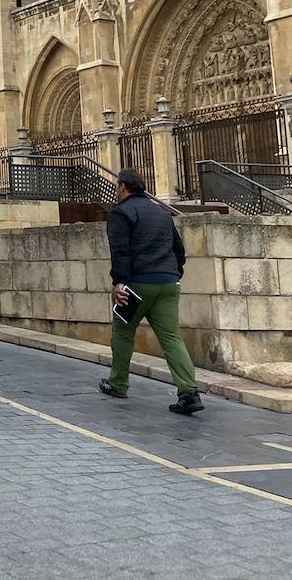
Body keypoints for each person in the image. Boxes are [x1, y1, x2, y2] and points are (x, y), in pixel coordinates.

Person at [99, 171, 203, 415]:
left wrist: (119, 282)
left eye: (117, 187)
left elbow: (120, 250)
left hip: (137, 284)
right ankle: (189, 392)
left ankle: (118, 383)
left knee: (123, 332)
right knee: (171, 338)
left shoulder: (121, 213)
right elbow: (178, 249)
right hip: (168, 283)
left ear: (123, 187)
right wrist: (174, 274)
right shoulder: (161, 212)